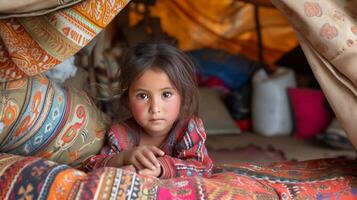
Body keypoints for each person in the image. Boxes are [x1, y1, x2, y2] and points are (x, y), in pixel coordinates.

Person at [82, 41, 213, 178]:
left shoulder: (189, 128)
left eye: (166, 94)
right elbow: (90, 167)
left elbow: (203, 168)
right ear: (128, 100)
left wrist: (162, 168)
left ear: (183, 96)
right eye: (143, 96)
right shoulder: (120, 133)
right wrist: (123, 158)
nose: (155, 108)